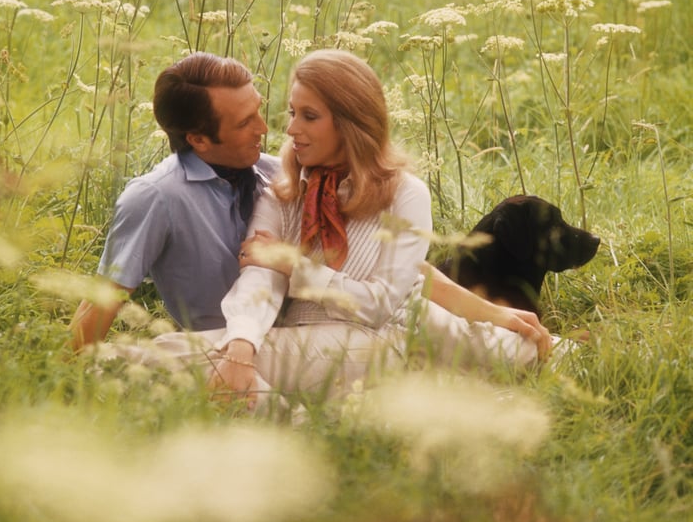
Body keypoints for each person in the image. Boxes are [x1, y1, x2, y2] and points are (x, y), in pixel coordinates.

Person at [196, 49, 553, 405]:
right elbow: (260, 277)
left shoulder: (405, 195)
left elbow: (380, 303)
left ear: (350, 122)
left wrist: (294, 265)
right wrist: (241, 342)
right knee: (199, 356)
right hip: (322, 339)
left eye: (309, 116)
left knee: (521, 350)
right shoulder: (284, 193)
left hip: (402, 331)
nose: (291, 129)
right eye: (292, 113)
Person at [69, 51, 280, 350]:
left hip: (313, 338)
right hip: (220, 350)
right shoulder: (155, 198)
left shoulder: (279, 173)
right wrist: (56, 382)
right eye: (245, 122)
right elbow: (103, 301)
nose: (263, 128)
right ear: (198, 139)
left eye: (258, 110)